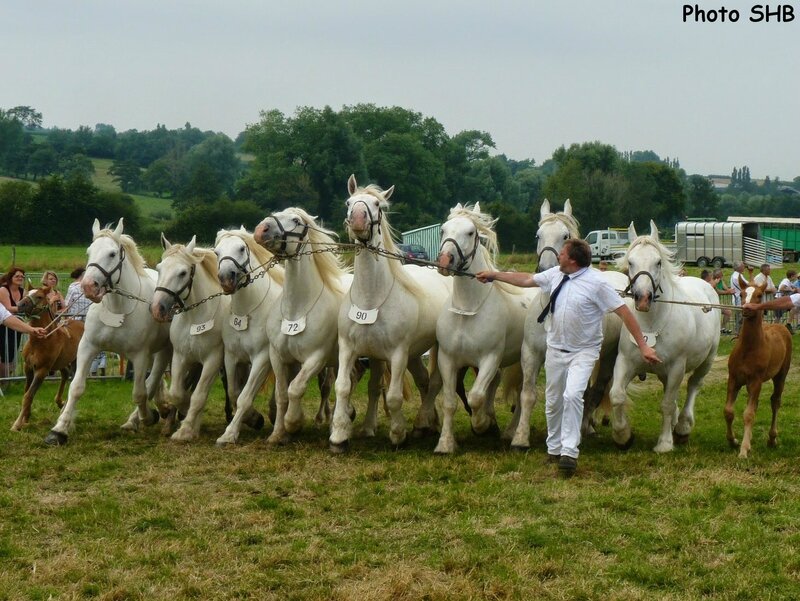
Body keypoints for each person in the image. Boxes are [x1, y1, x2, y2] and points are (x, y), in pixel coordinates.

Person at [476, 238, 661, 478]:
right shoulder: (555, 274)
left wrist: (644, 346)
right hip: (555, 349)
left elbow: (624, 312)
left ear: (572, 259)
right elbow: (525, 279)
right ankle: (554, 448)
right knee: (553, 401)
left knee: (573, 395)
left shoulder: (597, 283)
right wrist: (494, 275)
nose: (558, 256)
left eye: (561, 253)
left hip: (583, 352)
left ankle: (569, 453)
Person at [0, 266, 27, 379]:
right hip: (3, 325)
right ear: (11, 277)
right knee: (3, 353)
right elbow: (7, 308)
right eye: (17, 276)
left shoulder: (24, 291)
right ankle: (3, 379)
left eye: (22, 276)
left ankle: (7, 378)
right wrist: (23, 308)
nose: (20, 278)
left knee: (11, 353)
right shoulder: (3, 290)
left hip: (17, 326)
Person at [713, 268, 734, 334]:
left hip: (717, 304)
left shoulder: (721, 281)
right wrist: (727, 291)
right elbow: (718, 291)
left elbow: (726, 289)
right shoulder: (713, 282)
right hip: (712, 304)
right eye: (721, 275)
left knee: (728, 312)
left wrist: (729, 291)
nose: (722, 276)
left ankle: (722, 328)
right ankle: (716, 330)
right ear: (717, 276)